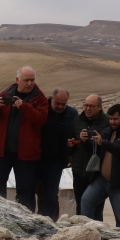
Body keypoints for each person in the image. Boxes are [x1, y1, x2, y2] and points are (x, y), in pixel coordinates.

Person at [0, 66, 48, 211]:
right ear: (17, 80)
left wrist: (24, 107)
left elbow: (41, 120)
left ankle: (26, 223)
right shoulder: (6, 94)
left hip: (26, 154)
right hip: (4, 151)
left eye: (32, 80)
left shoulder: (39, 98)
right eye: (26, 80)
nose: (30, 83)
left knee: (25, 191)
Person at [81, 104, 120, 228]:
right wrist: (85, 141)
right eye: (111, 119)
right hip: (101, 180)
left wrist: (104, 143)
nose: (112, 122)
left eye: (116, 119)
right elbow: (94, 149)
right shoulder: (107, 131)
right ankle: (88, 233)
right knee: (86, 201)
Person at [37, 89, 77, 220]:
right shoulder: (41, 109)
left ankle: (49, 224)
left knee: (51, 195)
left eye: (63, 104)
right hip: (35, 159)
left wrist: (70, 150)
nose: (60, 107)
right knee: (35, 192)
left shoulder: (71, 114)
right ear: (51, 99)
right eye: (57, 103)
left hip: (56, 162)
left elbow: (74, 134)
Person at [69, 95, 109, 218]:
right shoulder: (77, 120)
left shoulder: (107, 122)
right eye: (86, 105)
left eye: (91, 106)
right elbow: (70, 139)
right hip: (79, 170)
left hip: (97, 173)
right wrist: (71, 144)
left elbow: (106, 148)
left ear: (100, 107)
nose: (88, 109)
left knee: (96, 207)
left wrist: (90, 141)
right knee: (80, 205)